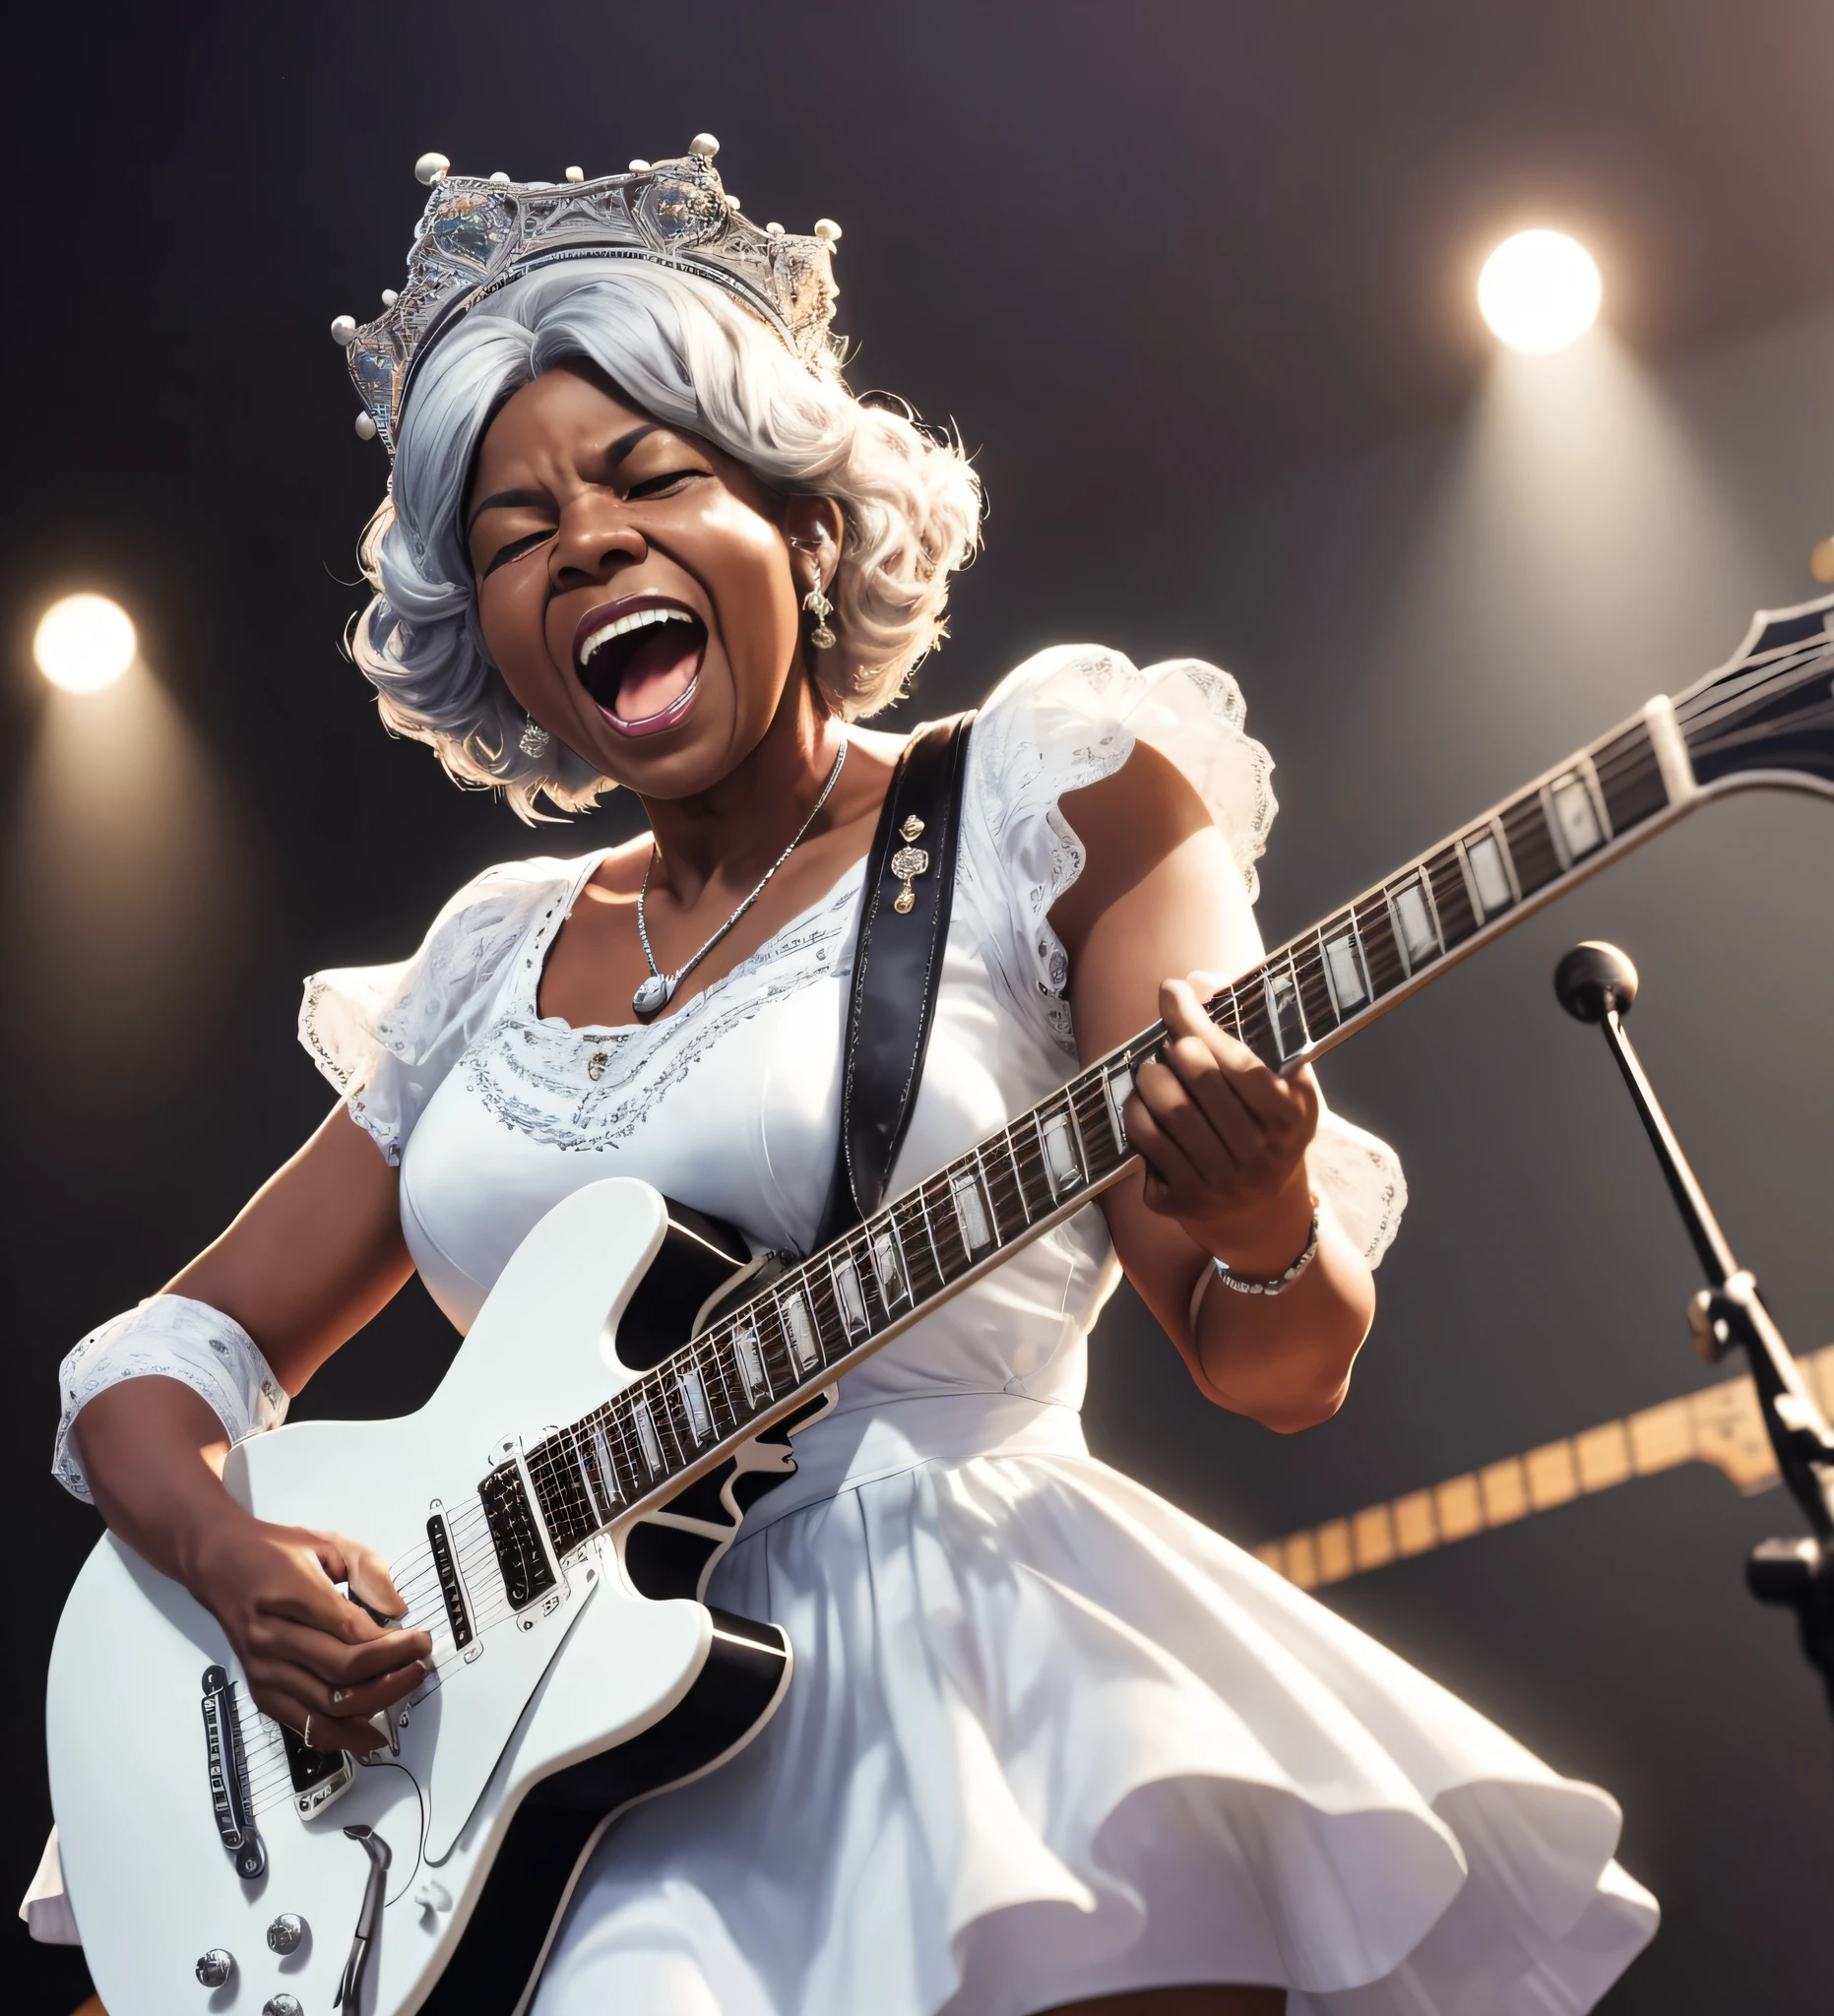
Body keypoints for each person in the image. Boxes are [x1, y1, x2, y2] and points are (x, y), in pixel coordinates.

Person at [42, 142, 1656, 2015]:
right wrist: (240, 1562)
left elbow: (1274, 1363)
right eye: (510, 536)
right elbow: (162, 1365)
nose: (582, 545)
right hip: (547, 1777)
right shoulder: (491, 952)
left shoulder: (1046, 795)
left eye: (652, 475)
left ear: (808, 530)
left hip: (998, 1698)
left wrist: (1262, 1212)